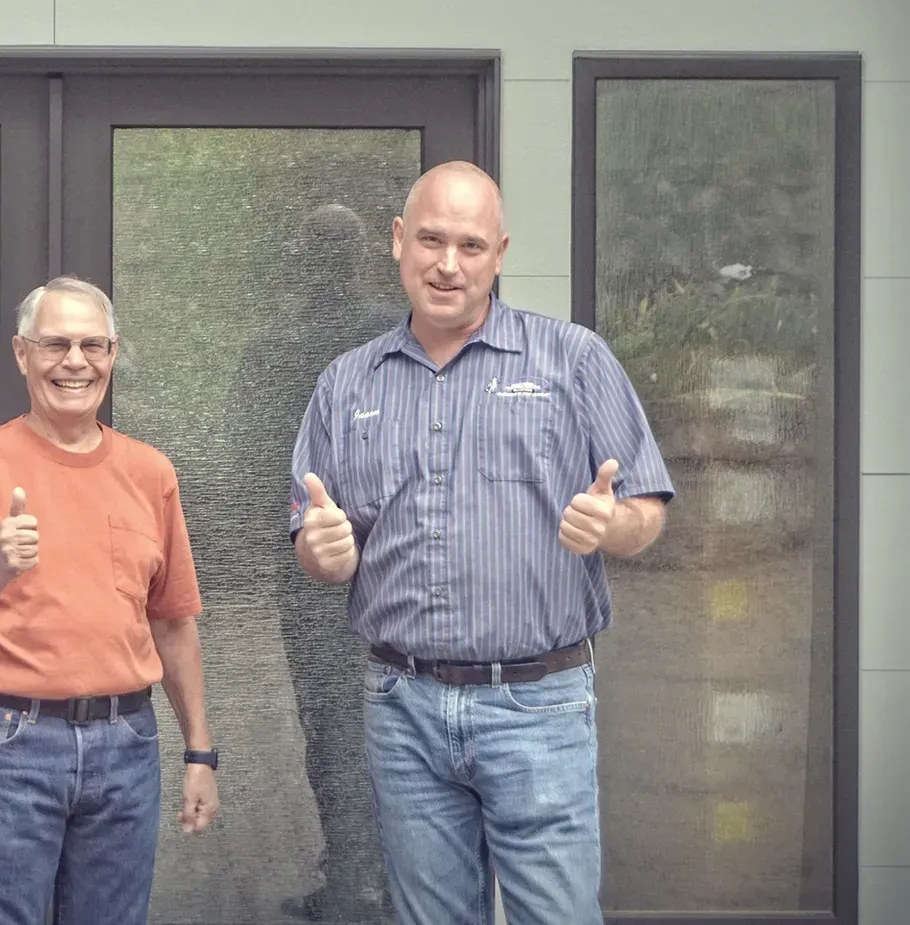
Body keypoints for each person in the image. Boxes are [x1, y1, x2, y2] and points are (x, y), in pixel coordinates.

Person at [289, 162, 674, 925]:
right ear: (399, 242)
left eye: (470, 244)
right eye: (430, 239)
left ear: (499, 253)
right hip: (402, 705)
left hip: (539, 703)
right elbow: (317, 538)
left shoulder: (573, 360)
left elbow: (646, 509)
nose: (447, 263)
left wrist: (614, 525)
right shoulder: (346, 384)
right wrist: (323, 551)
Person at [0, 276, 221, 925]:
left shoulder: (150, 472)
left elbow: (173, 624)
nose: (74, 361)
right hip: (9, 745)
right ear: (22, 353)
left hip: (126, 744)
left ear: (112, 352)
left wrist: (199, 751)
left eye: (91, 345)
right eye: (55, 344)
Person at [251, 203, 401, 920]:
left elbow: (245, 452)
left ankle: (352, 881)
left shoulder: (277, 344)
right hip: (377, 566)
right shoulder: (393, 333)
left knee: (337, 721)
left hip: (333, 568)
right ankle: (371, 881)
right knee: (383, 719)